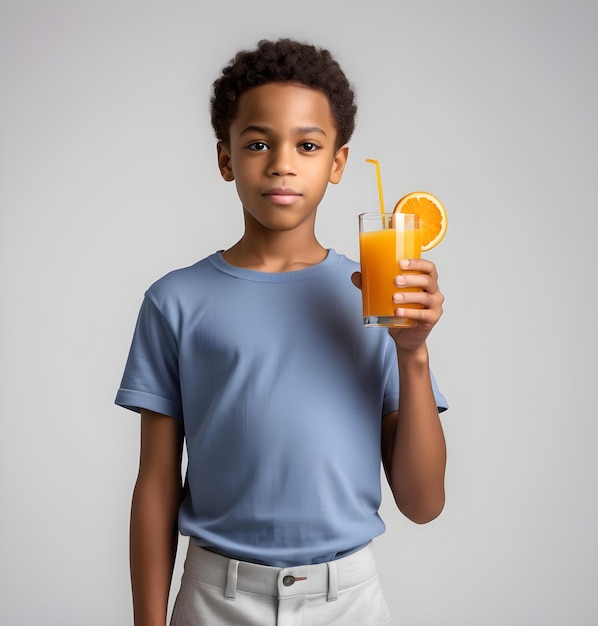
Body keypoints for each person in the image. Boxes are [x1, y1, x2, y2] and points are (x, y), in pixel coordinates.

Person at [115, 38, 448, 626]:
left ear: (338, 163)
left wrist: (413, 355)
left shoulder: (376, 297)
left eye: (309, 145)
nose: (282, 163)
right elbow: (158, 480)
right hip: (214, 598)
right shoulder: (176, 301)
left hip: (348, 602)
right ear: (226, 160)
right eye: (259, 143)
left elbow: (422, 504)